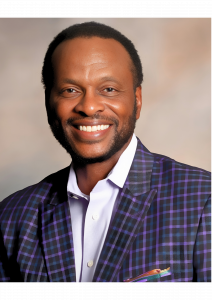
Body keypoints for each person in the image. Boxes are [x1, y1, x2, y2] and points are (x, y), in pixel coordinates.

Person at [0, 22, 212, 283]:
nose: (89, 107)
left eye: (108, 89)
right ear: (48, 101)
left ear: (137, 99)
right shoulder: (12, 217)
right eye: (70, 90)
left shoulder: (203, 201)